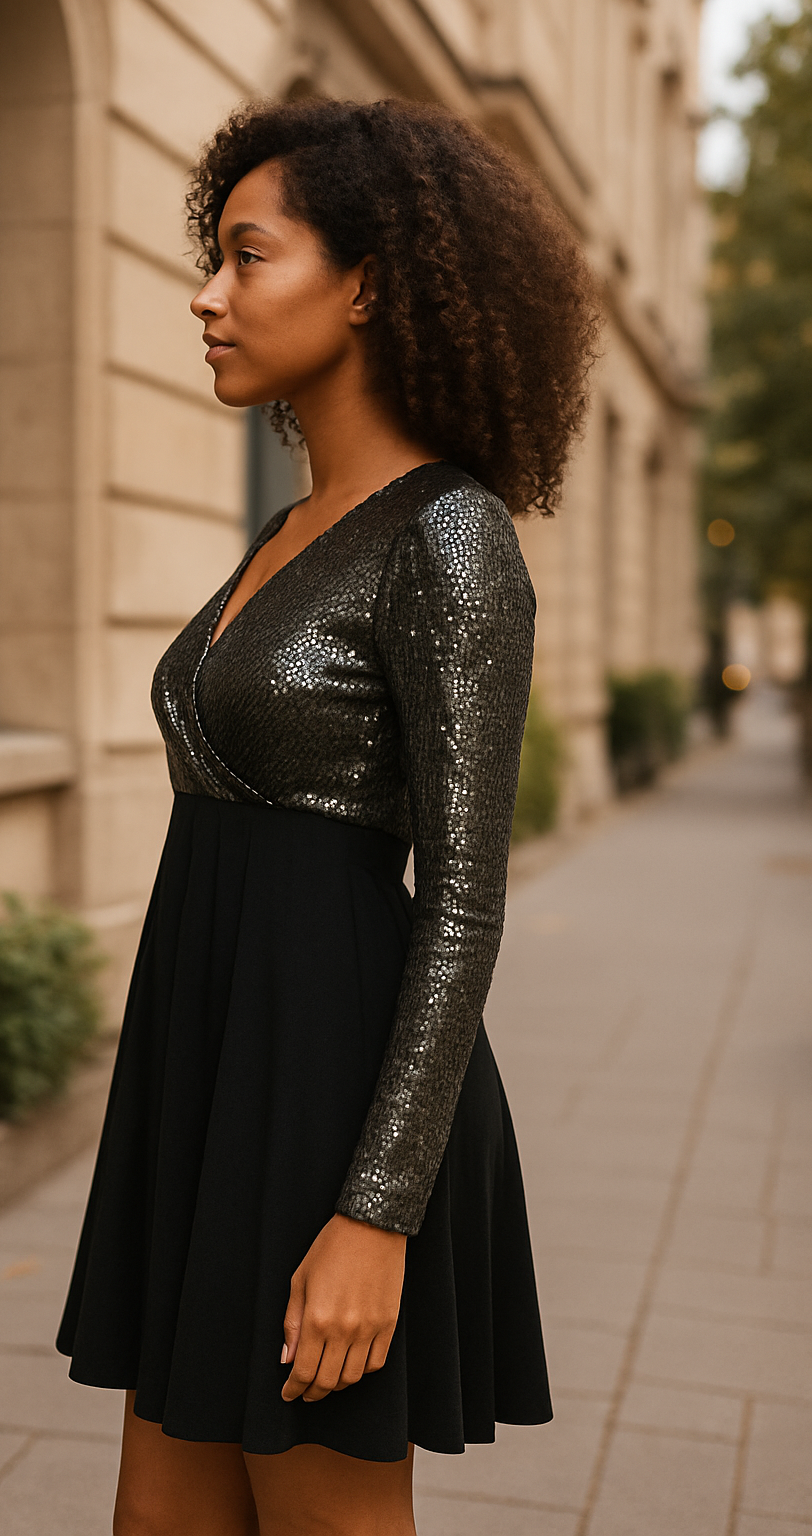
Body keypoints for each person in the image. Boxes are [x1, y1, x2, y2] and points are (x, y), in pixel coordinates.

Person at [57, 96, 599, 1536]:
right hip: (206, 1061)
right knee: (161, 1516)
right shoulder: (290, 525)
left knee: (324, 1520)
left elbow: (466, 898)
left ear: (367, 284)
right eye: (216, 258)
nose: (208, 295)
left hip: (329, 1089)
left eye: (249, 256)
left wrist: (377, 1211)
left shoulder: (449, 536)